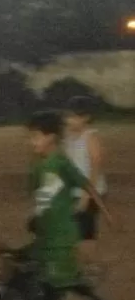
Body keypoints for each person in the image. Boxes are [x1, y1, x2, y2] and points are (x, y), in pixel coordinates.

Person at [22, 111, 113, 300]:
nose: (31, 142)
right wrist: (37, 218)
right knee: (59, 277)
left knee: (51, 278)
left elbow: (85, 186)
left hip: (61, 232)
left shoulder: (58, 162)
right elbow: (42, 195)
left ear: (51, 137)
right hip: (49, 230)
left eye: (35, 137)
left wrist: (105, 212)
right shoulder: (43, 164)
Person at [63, 96, 107, 277]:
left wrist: (86, 194)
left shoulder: (90, 137)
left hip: (90, 191)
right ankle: (80, 266)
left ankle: (91, 267)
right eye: (68, 116)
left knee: (86, 232)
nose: (69, 120)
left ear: (86, 118)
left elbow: (96, 167)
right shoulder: (68, 136)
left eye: (74, 117)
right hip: (72, 191)